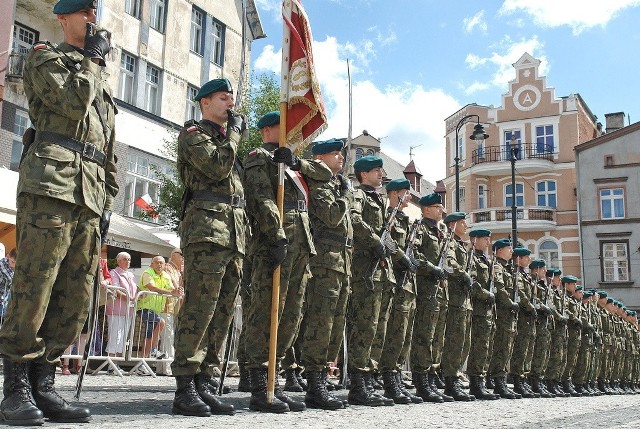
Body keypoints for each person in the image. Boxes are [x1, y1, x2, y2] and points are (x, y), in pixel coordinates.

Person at [0, 0, 117, 424]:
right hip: (51, 182)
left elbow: (106, 146)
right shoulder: (44, 57)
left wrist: (108, 199)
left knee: (75, 294)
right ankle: (15, 388)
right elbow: (71, 104)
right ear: (63, 18)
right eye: (84, 14)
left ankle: (43, 383)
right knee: (36, 284)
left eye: (94, 13)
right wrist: (92, 59)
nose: (92, 20)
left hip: (90, 192)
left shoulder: (97, 72)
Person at [242, 111, 332, 413]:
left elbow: (326, 174)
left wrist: (296, 161)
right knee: (268, 311)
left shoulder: (293, 164)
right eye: (286, 127)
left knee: (291, 315)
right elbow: (261, 199)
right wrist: (276, 235)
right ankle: (259, 384)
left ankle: (275, 380)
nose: (293, 133)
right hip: (275, 243)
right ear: (268, 130)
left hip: (301, 245)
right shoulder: (258, 157)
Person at [171, 78, 245, 417]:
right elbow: (216, 168)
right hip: (206, 231)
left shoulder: (226, 140)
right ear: (204, 103)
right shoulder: (193, 135)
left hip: (232, 235)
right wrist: (234, 135)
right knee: (200, 308)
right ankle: (185, 385)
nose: (229, 102)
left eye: (230, 97)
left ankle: (205, 381)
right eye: (222, 97)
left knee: (223, 312)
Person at [299, 138, 353, 410]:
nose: (341, 157)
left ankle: (323, 376)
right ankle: (314, 383)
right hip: (324, 261)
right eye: (335, 153)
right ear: (320, 158)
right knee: (321, 322)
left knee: (335, 324)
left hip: (342, 262)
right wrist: (345, 195)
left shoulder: (335, 184)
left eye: (341, 153)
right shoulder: (320, 185)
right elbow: (331, 216)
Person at [346, 155, 397, 407]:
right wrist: (375, 241)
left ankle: (369, 379)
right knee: (364, 328)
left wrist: (389, 245)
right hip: (365, 271)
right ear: (363, 174)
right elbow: (354, 220)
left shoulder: (380, 200)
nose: (380, 174)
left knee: (378, 330)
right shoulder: (359, 196)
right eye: (376, 170)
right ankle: (357, 384)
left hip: (382, 274)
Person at [375, 179, 421, 405]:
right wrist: (401, 257)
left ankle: (396, 376)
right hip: (391, 278)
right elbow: (386, 240)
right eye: (406, 193)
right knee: (392, 332)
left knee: (403, 334)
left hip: (405, 282)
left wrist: (412, 259)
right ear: (395, 194)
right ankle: (388, 378)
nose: (410, 197)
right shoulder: (386, 214)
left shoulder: (405, 219)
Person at [410, 193, 451, 403]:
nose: (440, 211)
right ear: (425, 209)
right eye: (437, 207)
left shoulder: (441, 232)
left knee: (436, 337)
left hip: (440, 291)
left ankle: (431, 376)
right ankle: (421, 380)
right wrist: (432, 268)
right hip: (426, 289)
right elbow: (414, 255)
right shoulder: (420, 228)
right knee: (424, 335)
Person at [440, 212, 475, 401]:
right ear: (453, 224)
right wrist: (463, 275)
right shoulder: (450, 243)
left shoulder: (461, 246)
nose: (466, 226)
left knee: (463, 341)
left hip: (464, 300)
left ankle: (455, 377)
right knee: (454, 341)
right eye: (463, 223)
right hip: (454, 298)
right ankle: (450, 381)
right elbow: (450, 264)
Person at [466, 229, 499, 400]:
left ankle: (482, 379)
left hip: (487, 311)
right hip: (478, 308)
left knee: (486, 346)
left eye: (489, 239)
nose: (488, 242)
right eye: (485, 239)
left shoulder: (486, 260)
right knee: (478, 346)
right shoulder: (472, 257)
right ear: (475, 240)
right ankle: (475, 383)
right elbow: (473, 283)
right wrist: (487, 295)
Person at [487, 238, 521, 399]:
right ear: (500, 250)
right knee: (500, 347)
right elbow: (499, 288)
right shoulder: (497, 267)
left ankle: (500, 380)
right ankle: (498, 381)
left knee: (506, 347)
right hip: (501, 313)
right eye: (509, 249)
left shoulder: (507, 269)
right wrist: (510, 303)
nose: (511, 252)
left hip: (508, 314)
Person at [509, 247, 539, 399]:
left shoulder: (524, 275)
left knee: (527, 349)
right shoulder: (516, 274)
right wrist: (530, 307)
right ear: (519, 258)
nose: (529, 260)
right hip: (521, 316)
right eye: (527, 257)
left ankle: (523, 379)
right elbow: (520, 293)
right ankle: (517, 380)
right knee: (520, 349)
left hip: (527, 318)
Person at [136, 256, 178, 359]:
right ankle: (154, 350)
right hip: (144, 308)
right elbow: (152, 287)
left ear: (164, 265)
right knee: (161, 323)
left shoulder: (166, 276)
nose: (159, 265)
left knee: (149, 335)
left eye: (161, 263)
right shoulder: (147, 273)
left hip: (155, 310)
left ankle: (143, 361)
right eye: (157, 263)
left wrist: (177, 292)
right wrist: (171, 292)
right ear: (152, 264)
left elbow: (172, 290)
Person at [158, 249, 184, 376]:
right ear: (174, 255)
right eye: (181, 255)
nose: (183, 257)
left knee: (170, 337)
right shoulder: (168, 268)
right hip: (166, 306)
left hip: (174, 307)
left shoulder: (178, 270)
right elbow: (174, 287)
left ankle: (164, 366)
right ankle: (166, 366)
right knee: (167, 337)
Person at [107, 252, 137, 358]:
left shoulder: (131, 275)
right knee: (115, 335)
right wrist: (130, 297)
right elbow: (117, 290)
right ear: (118, 261)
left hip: (129, 310)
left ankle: (116, 362)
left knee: (123, 337)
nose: (128, 261)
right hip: (116, 309)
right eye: (125, 259)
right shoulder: (114, 272)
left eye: (129, 259)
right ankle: (111, 362)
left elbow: (134, 290)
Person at [0, 248, 16, 320]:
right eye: (12, 262)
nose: (14, 265)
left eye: (16, 263)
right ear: (8, 256)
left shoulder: (13, 267)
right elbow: (11, 278)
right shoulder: (2, 264)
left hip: (4, 296)